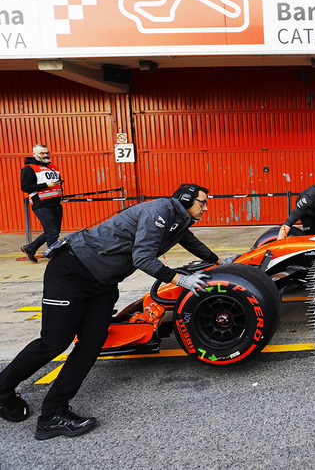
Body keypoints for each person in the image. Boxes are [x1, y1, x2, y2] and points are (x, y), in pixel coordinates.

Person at [0, 183, 224, 439]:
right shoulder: (159, 211)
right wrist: (180, 280)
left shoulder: (178, 219)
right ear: (185, 200)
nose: (206, 207)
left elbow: (190, 242)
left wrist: (219, 262)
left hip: (103, 284)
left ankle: (52, 415)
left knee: (92, 344)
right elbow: (143, 258)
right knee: (54, 342)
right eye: (202, 202)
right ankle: (3, 388)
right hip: (72, 272)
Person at [20, 144, 64, 263]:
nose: (45, 155)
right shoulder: (29, 169)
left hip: (56, 204)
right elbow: (25, 187)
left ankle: (30, 248)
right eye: (42, 153)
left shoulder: (52, 167)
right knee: (53, 232)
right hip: (42, 204)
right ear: (34, 154)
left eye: (47, 153)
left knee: (53, 231)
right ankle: (55, 259)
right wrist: (46, 185)